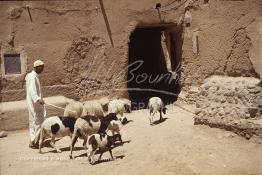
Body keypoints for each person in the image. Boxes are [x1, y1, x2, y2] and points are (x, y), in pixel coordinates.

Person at [25, 59, 46, 149]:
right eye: (41, 67)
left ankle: (33, 140)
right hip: (35, 103)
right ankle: (35, 142)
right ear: (37, 67)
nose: (43, 69)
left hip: (34, 103)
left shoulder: (31, 76)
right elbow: (32, 90)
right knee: (38, 121)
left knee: (35, 121)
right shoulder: (33, 77)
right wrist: (38, 99)